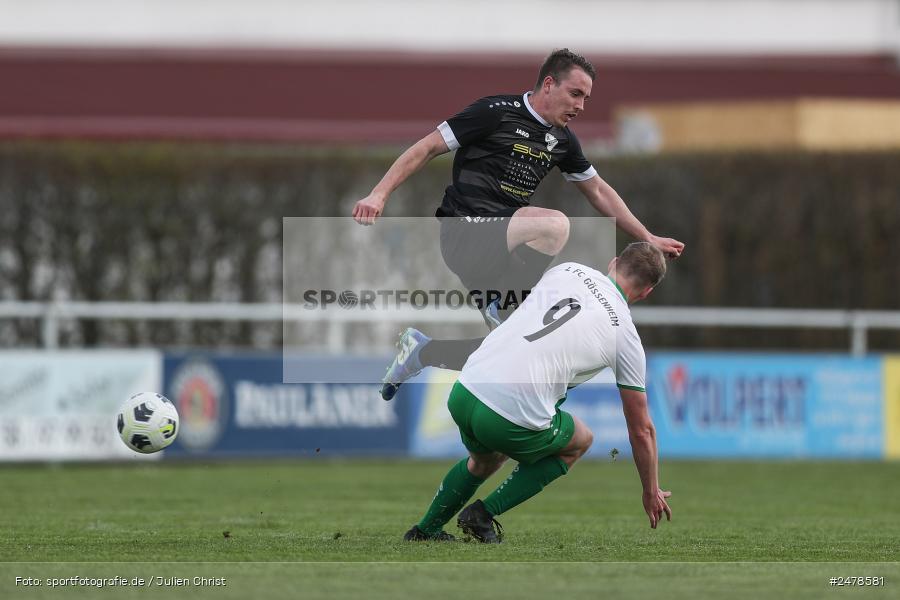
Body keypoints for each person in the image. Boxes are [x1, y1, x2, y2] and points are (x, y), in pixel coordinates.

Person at [351, 48, 684, 400]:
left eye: (586, 98)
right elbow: (426, 147)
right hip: (464, 232)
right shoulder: (494, 112)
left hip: (502, 247)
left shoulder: (564, 141)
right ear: (549, 85)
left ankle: (421, 352)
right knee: (554, 225)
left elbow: (598, 190)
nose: (581, 106)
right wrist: (379, 194)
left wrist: (647, 236)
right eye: (575, 94)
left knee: (516, 350)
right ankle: (498, 304)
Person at [403, 242, 672, 542]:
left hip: (466, 389)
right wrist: (650, 490)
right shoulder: (626, 335)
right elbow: (641, 430)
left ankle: (424, 531)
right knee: (580, 441)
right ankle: (482, 514)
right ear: (647, 291)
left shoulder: (568, 269)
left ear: (614, 262)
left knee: (484, 460)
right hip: (508, 415)